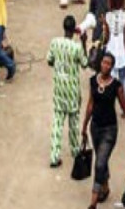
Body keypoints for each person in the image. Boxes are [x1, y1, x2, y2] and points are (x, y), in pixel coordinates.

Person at [81, 52, 125, 207]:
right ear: (100, 63)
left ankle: (93, 202)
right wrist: (84, 126)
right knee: (102, 158)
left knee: (100, 162)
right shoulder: (93, 82)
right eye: (104, 62)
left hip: (110, 130)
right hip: (95, 128)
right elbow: (90, 105)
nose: (105, 65)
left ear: (112, 67)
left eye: (109, 63)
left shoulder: (116, 86)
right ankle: (105, 187)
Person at [48, 15, 88, 168]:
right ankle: (75, 150)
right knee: (74, 123)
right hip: (72, 91)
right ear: (74, 30)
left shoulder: (55, 43)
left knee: (57, 122)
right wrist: (84, 42)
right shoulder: (76, 47)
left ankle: (54, 156)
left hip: (59, 89)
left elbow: (49, 60)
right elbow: (85, 64)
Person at [103, 0, 125, 86]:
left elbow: (106, 38)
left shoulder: (107, 16)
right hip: (122, 54)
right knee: (123, 82)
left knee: (110, 82)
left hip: (110, 52)